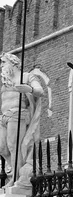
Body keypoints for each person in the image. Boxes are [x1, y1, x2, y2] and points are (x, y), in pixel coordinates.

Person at [0, 53, 46, 187]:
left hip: (18, 113)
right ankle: (16, 170)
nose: (1, 65)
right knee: (2, 148)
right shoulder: (4, 80)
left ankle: (16, 178)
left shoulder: (26, 77)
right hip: (3, 116)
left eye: (3, 62)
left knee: (13, 146)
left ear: (13, 62)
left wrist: (29, 89)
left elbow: (40, 90)